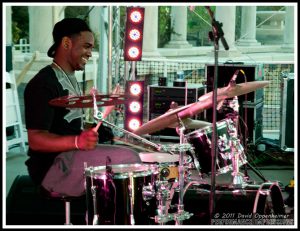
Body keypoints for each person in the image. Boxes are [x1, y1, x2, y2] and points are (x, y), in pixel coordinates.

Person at [24, 18, 142, 197]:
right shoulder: (43, 83)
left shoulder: (69, 78)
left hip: (71, 157)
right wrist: (77, 142)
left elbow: (65, 127)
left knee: (134, 152)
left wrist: (93, 129)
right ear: (66, 43)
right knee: (129, 158)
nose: (89, 53)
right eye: (86, 46)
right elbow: (36, 140)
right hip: (53, 168)